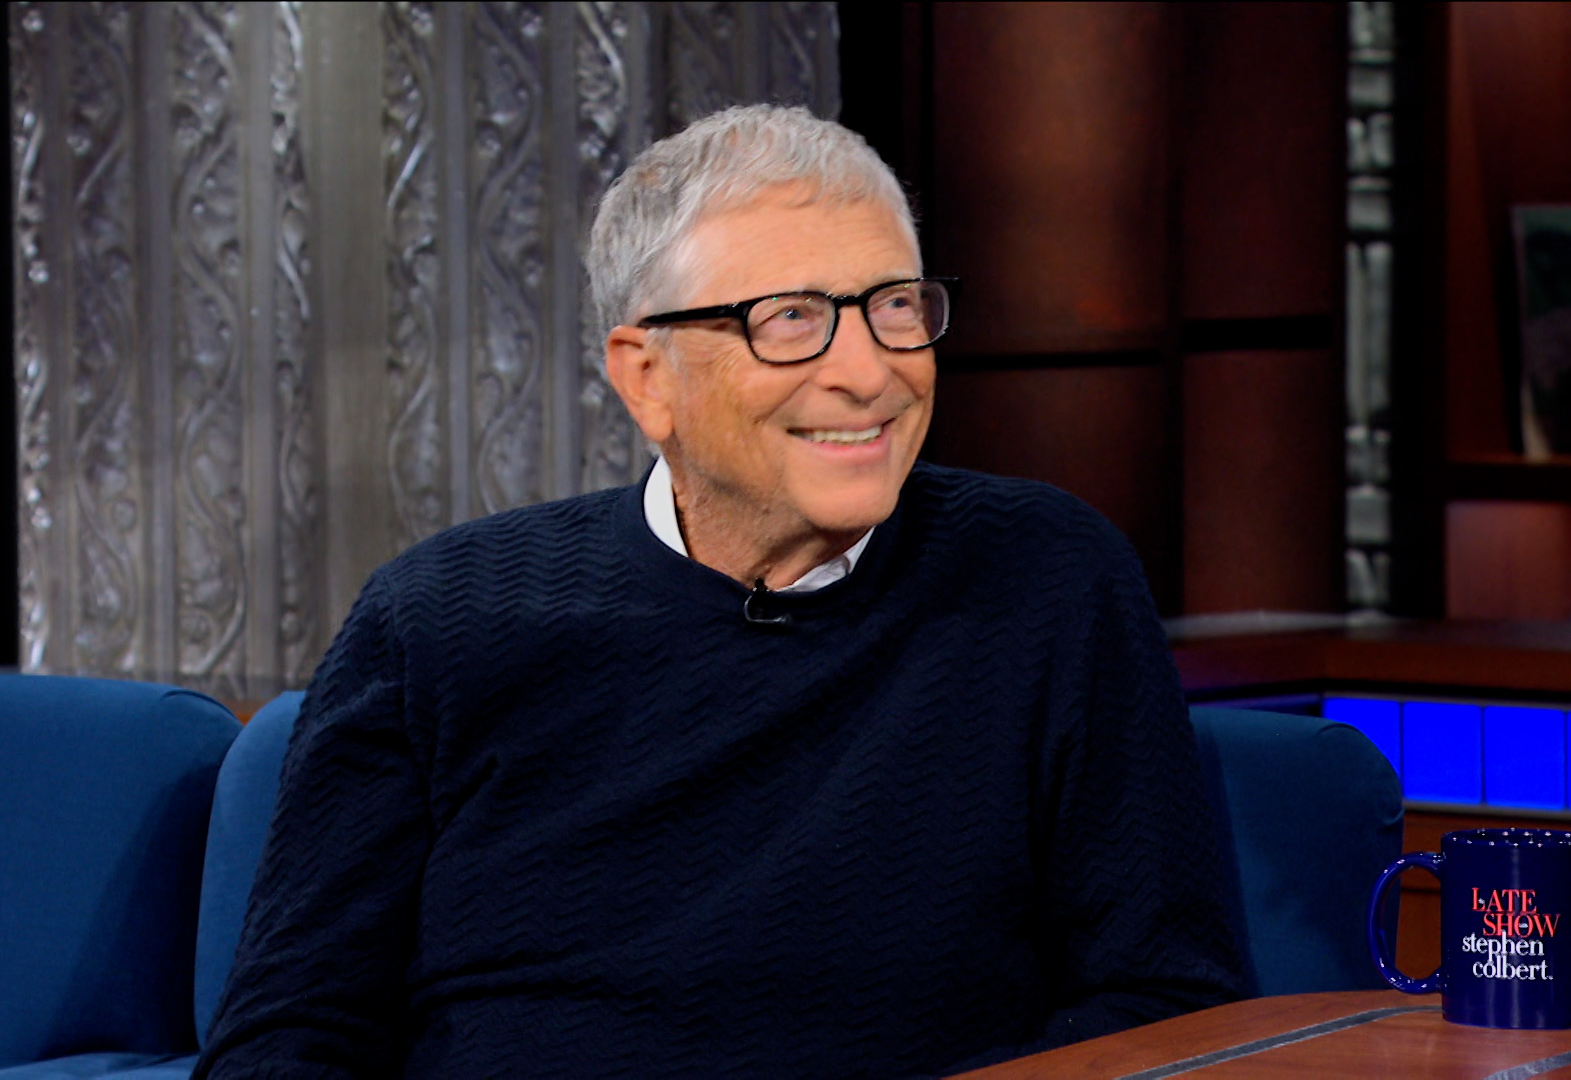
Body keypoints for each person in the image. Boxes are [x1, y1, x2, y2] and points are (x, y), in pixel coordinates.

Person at [196, 105, 1244, 1079]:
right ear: (647, 376)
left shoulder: (1045, 579)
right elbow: (286, 1038)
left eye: (893, 306)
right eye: (790, 319)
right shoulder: (437, 620)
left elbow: (1166, 1003)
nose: (868, 372)